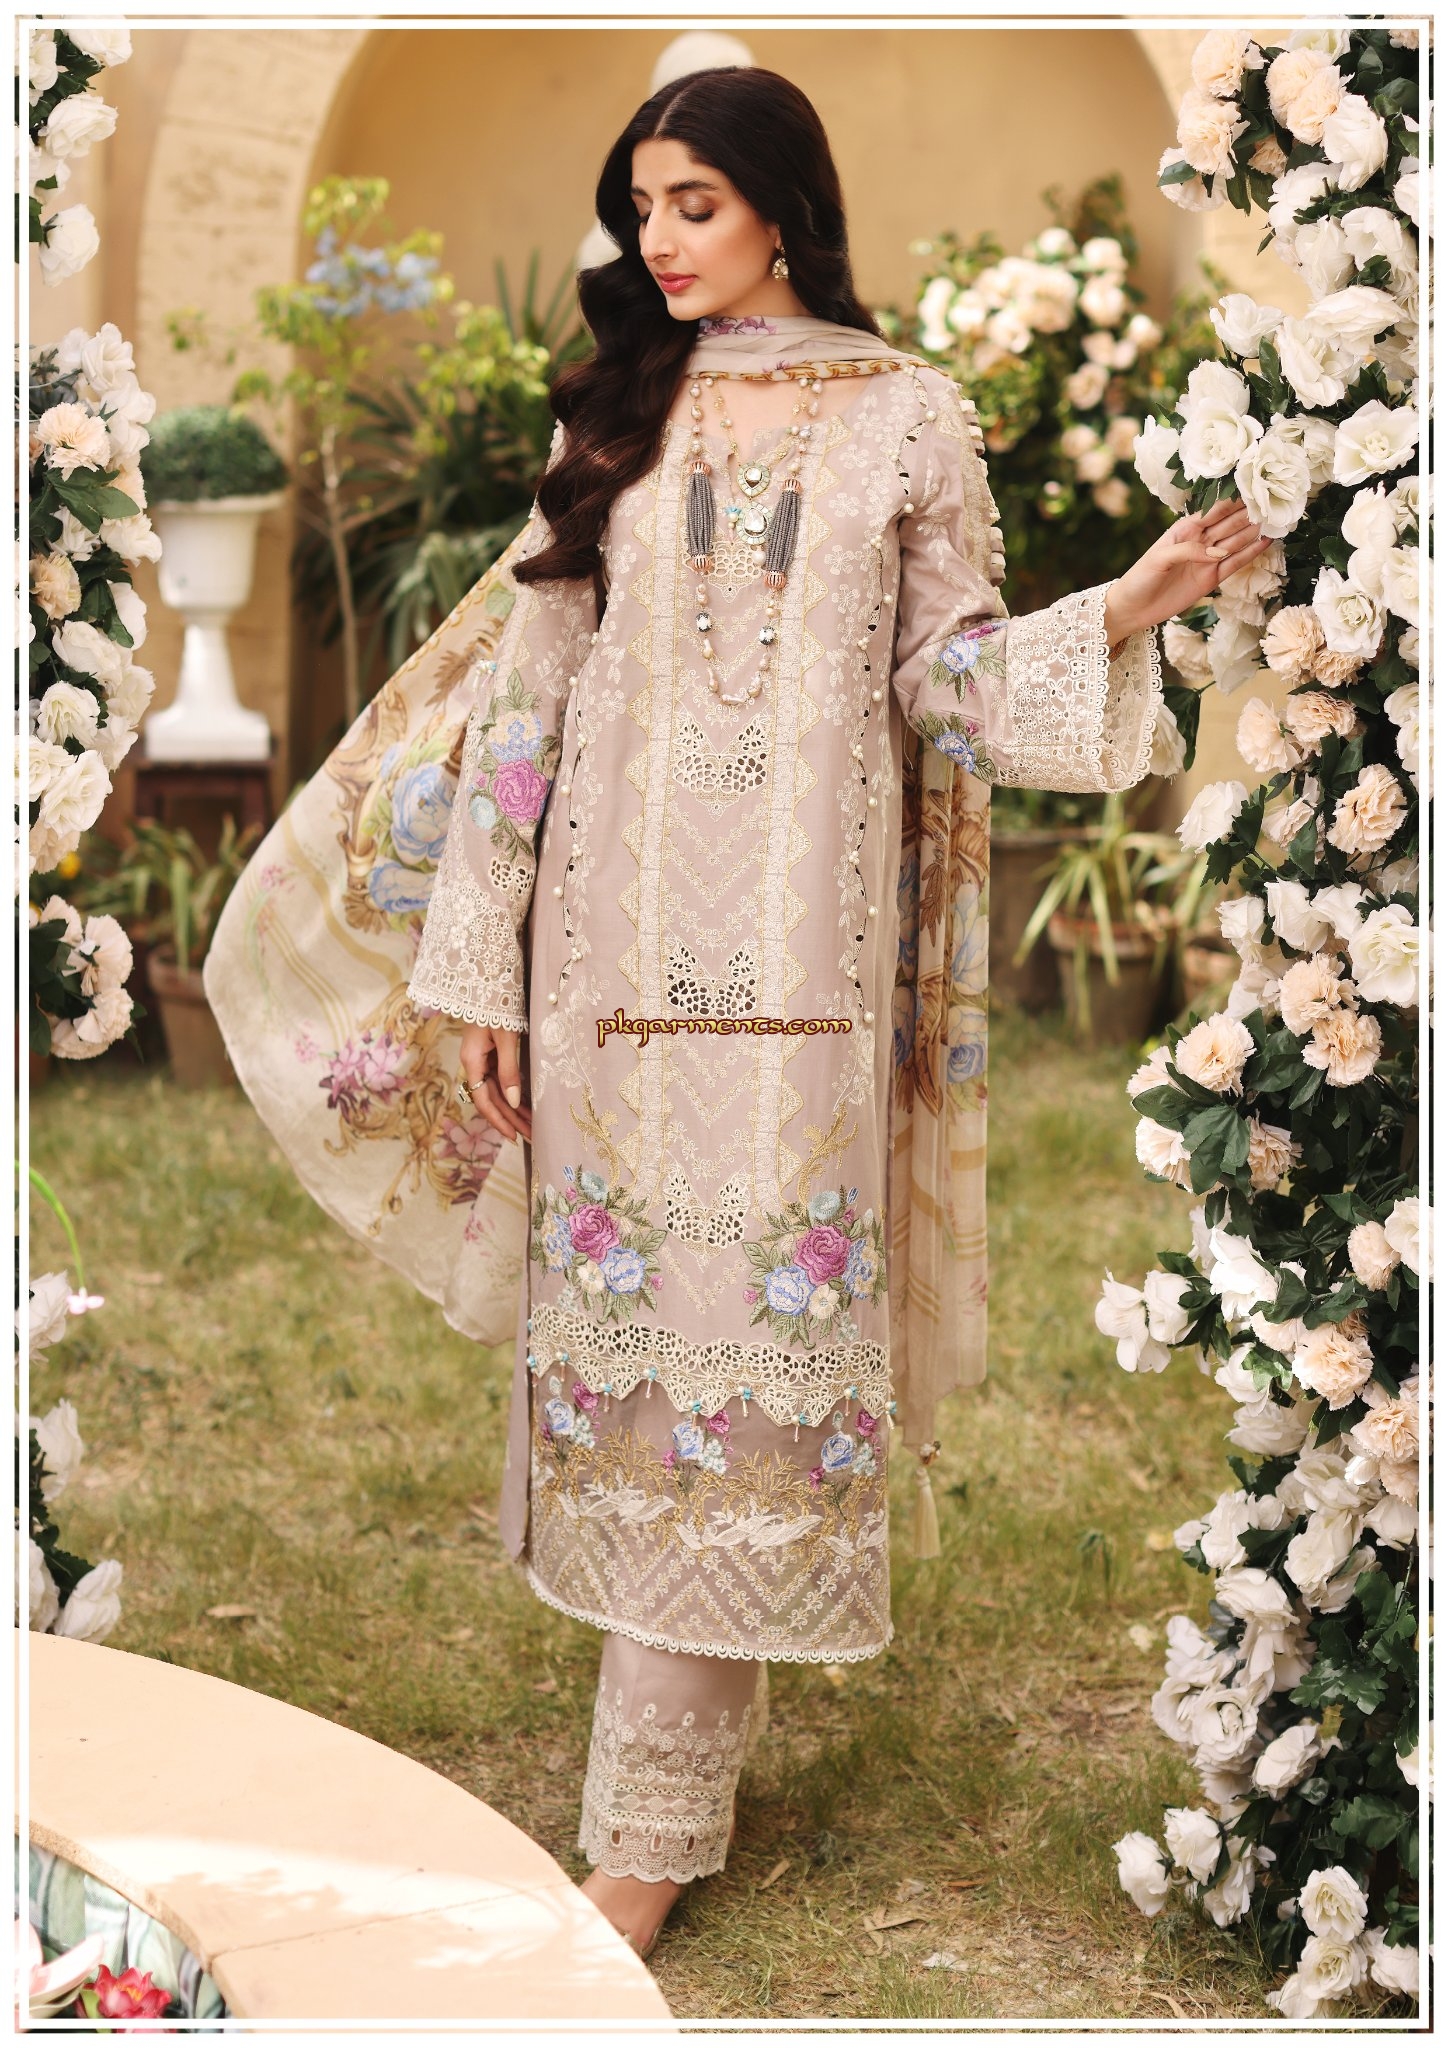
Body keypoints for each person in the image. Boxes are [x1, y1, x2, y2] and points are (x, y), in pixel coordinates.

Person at [206, 64, 1269, 1965]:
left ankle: (651, 1830)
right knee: (645, 1361)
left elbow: (945, 684)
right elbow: (527, 707)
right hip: (609, 968)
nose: (659, 241)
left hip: (798, 983)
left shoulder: (905, 418)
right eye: (643, 209)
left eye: (692, 203)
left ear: (782, 203)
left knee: (742, 1366)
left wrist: (1122, 606)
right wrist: (480, 963)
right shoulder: (619, 413)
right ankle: (661, 1797)